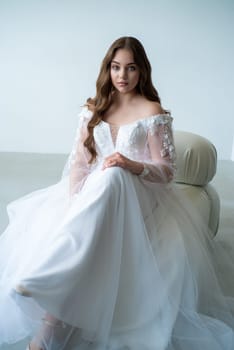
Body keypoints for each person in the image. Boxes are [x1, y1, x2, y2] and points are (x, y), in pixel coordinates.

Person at [0, 36, 234, 350]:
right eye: (116, 67)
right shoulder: (93, 108)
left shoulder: (152, 111)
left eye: (131, 68)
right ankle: (48, 330)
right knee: (102, 180)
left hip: (141, 192)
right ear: (107, 69)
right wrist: (75, 203)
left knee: (113, 174)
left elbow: (166, 172)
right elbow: (79, 165)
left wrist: (131, 164)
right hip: (96, 196)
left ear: (142, 72)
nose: (122, 76)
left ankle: (48, 281)